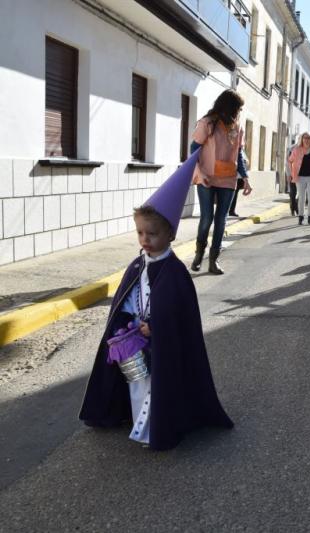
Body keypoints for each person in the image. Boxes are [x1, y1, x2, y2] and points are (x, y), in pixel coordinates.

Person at [79, 150, 234, 450]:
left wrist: (157, 328)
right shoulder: (138, 265)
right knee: (138, 385)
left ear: (170, 234)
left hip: (161, 343)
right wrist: (127, 323)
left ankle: (155, 431)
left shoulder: (176, 272)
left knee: (157, 386)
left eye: (152, 233)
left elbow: (180, 316)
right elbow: (129, 299)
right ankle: (138, 423)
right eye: (140, 233)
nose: (145, 240)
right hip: (136, 341)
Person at [190, 89, 252, 275]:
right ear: (229, 106)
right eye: (238, 108)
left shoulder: (237, 127)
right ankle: (199, 255)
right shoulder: (207, 122)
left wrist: (245, 178)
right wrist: (200, 173)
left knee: (221, 220)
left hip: (228, 178)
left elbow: (239, 154)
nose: (239, 112)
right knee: (207, 217)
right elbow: (194, 149)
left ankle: (214, 260)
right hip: (207, 177)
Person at [288, 132, 310, 225]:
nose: (306, 140)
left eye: (308, 138)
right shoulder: (296, 150)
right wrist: (291, 173)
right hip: (300, 177)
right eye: (304, 138)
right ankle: (300, 217)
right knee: (301, 198)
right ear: (302, 139)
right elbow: (290, 161)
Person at [227, 151, 250, 217]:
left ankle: (231, 210)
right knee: (230, 193)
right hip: (233, 175)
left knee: (235, 193)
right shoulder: (235, 148)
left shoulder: (242, 151)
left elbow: (244, 162)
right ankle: (228, 210)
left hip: (240, 176)